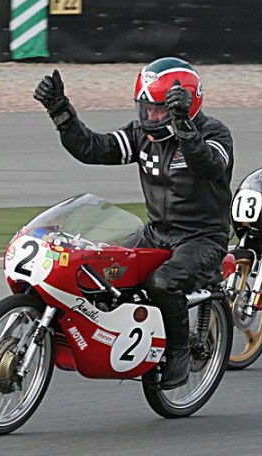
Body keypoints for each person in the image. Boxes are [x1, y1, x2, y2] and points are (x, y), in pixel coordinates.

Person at [33, 57, 234, 390]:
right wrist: (60, 111)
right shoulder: (143, 135)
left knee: (163, 283)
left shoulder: (215, 133)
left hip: (203, 239)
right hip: (156, 234)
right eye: (146, 108)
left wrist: (183, 125)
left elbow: (209, 166)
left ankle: (180, 353)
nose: (151, 116)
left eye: (159, 110)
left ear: (186, 104)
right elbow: (91, 148)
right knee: (98, 269)